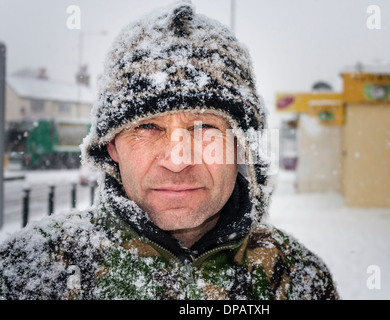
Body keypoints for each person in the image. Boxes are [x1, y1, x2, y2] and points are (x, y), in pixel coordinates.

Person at [0, 1, 338, 300]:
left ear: (241, 147)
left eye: (204, 127)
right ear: (112, 146)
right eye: (147, 127)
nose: (178, 162)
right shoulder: (27, 274)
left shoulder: (297, 281)